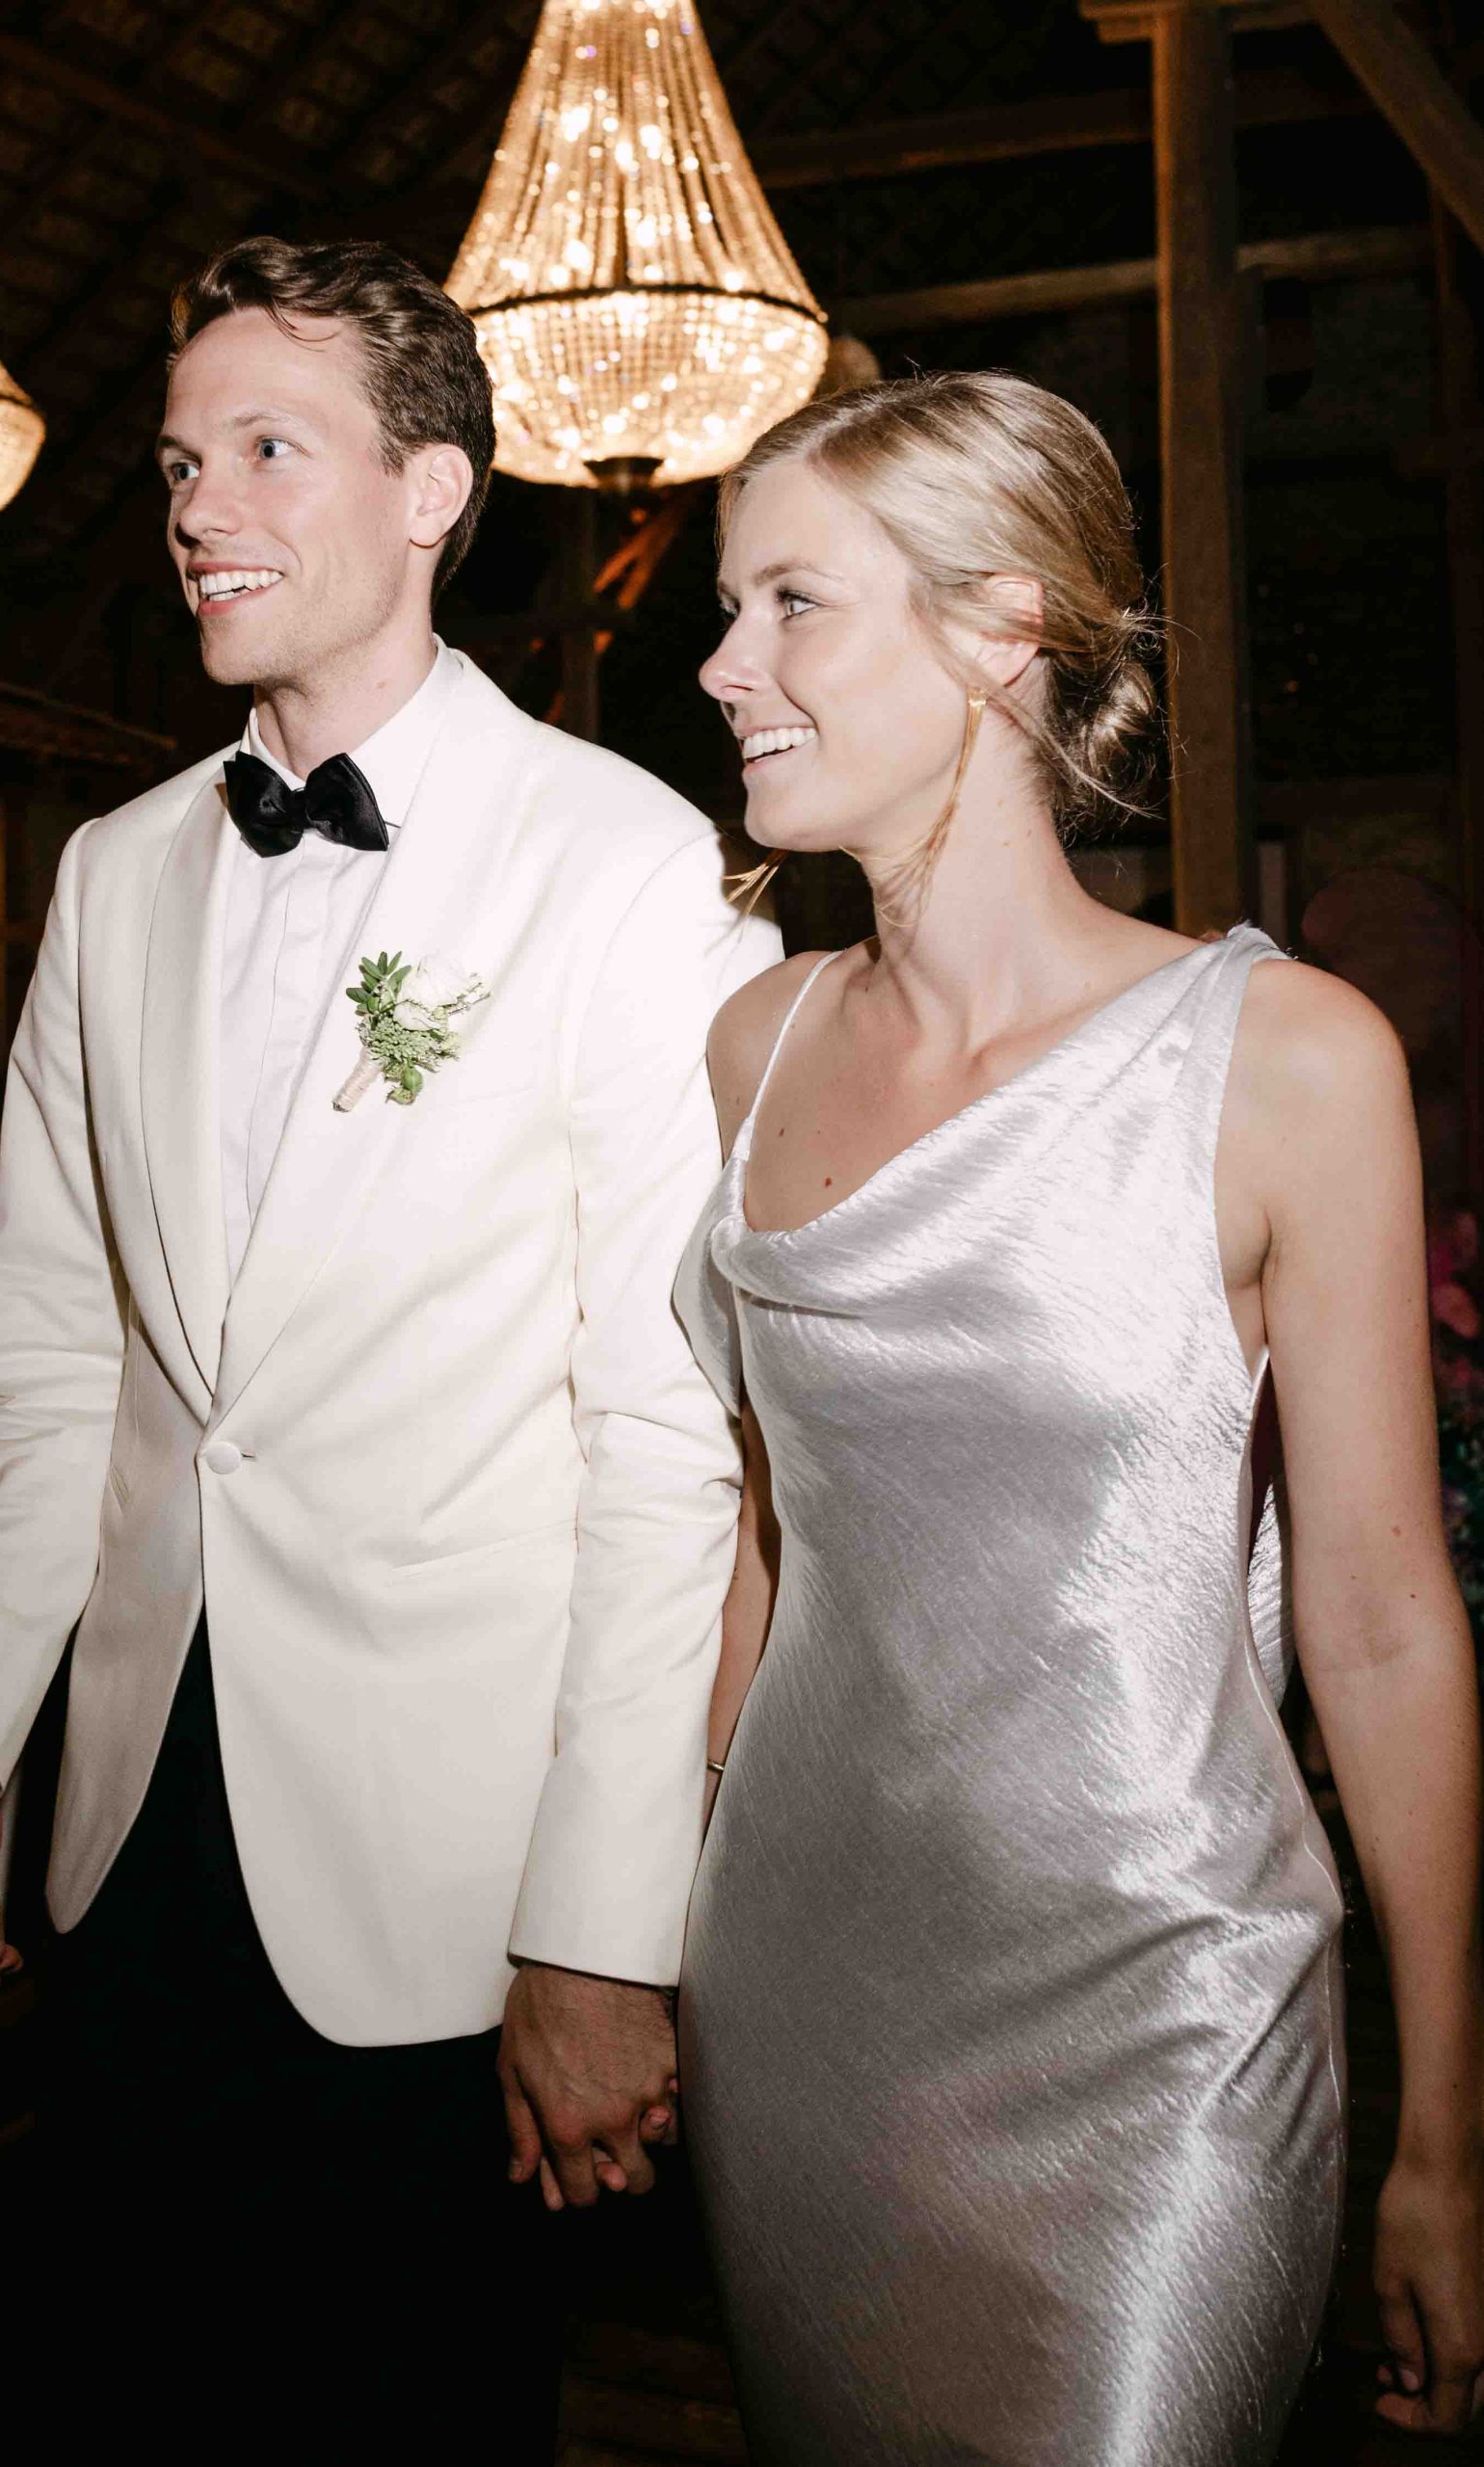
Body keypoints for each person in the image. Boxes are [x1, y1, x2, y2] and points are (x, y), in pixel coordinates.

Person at [0, 235, 777, 2460]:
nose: (201, 509)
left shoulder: (622, 862)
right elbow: (52, 1357)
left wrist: (600, 1931)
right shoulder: (107, 874)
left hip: (442, 1871)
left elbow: (664, 1440)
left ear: (430, 493)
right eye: (185, 462)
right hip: (122, 1838)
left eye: (270, 451)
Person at [676, 372, 1484, 2464]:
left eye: (788, 603)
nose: (719, 663)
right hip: (800, 1992)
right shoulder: (749, 1045)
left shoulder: (1285, 1061)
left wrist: (1445, 2138)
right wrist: (668, 1927)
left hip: (1160, 2009)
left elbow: (1383, 1632)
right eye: (724, 606)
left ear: (995, 627)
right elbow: (770, 1541)